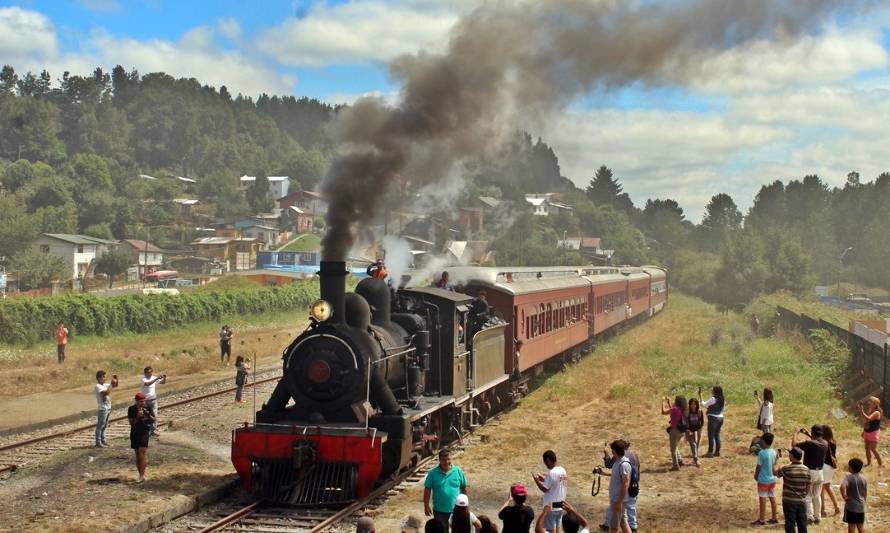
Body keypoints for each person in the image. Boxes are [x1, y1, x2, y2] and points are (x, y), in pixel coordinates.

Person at [424, 449, 469, 532]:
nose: (446, 462)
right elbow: (427, 489)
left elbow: (464, 487)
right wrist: (426, 505)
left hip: (456, 510)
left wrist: (465, 504)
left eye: (448, 459)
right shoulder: (433, 473)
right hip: (439, 511)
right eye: (444, 460)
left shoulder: (458, 471)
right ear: (439, 460)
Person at [792, 425, 829, 524]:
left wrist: (796, 432)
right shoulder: (825, 443)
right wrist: (808, 433)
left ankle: (809, 517)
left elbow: (794, 445)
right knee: (817, 496)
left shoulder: (810, 443)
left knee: (807, 495)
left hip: (809, 472)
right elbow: (815, 441)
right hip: (820, 473)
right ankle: (818, 517)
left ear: (813, 433)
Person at [596, 440, 634, 533]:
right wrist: (602, 473)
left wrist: (619, 502)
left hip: (618, 500)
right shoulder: (618, 462)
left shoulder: (623, 464)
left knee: (614, 527)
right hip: (617, 499)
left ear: (614, 451)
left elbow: (626, 483)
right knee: (623, 522)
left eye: (612, 450)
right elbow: (615, 474)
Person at [776, 446, 811, 533]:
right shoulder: (806, 469)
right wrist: (803, 496)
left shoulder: (786, 468)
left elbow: (776, 473)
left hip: (789, 502)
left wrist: (775, 461)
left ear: (792, 456)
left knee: (790, 523)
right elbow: (808, 485)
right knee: (802, 524)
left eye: (790, 454)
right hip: (802, 501)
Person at [533, 450, 568, 533]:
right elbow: (555, 483)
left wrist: (536, 480)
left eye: (545, 462)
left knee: (551, 531)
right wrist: (544, 479)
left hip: (551, 508)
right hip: (560, 506)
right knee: (558, 530)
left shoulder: (551, 473)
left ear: (548, 460)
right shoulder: (562, 470)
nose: (545, 464)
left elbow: (544, 489)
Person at [752, 432, 779, 526]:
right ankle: (774, 517)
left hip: (763, 480)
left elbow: (758, 466)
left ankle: (762, 519)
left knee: (762, 499)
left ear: (764, 441)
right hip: (772, 479)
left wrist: (756, 475)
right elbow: (774, 464)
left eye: (761, 441)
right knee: (772, 497)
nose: (760, 443)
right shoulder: (774, 451)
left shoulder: (762, 453)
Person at [128, 391, 155, 482]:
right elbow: (131, 423)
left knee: (142, 453)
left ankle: (142, 475)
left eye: (143, 401)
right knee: (137, 454)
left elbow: (154, 420)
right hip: (135, 433)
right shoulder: (131, 409)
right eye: (140, 401)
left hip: (144, 432)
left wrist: (148, 415)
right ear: (136, 401)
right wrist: (137, 417)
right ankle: (140, 474)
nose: (142, 403)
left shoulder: (148, 408)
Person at [840, 457, 867, 533]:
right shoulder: (863, 478)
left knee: (851, 526)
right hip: (861, 506)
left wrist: (844, 497)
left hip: (851, 506)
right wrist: (864, 500)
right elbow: (865, 492)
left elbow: (842, 487)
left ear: (851, 468)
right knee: (861, 526)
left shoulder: (849, 478)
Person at [660, 395, 686, 470]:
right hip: (681, 431)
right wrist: (668, 402)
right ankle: (680, 460)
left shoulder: (674, 409)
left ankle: (675, 466)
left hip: (674, 431)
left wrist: (662, 402)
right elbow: (672, 411)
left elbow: (663, 412)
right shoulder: (683, 409)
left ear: (677, 402)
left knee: (673, 450)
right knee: (675, 446)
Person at [94, 370, 119, 447]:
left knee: (104, 426)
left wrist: (116, 379)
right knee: (100, 426)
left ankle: (103, 440)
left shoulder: (105, 384)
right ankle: (98, 442)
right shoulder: (98, 386)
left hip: (108, 408)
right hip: (103, 409)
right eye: (104, 376)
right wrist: (111, 384)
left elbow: (115, 385)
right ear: (99, 378)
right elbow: (106, 393)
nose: (105, 378)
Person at [821, 425, 841, 517]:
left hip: (824, 466)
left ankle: (822, 510)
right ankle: (837, 507)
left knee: (821, 488)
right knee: (828, 487)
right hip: (832, 467)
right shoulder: (833, 442)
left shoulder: (823, 442)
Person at [140, 366, 166, 437]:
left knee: (154, 415)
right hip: (145, 401)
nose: (150, 374)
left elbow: (163, 383)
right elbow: (148, 384)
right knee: (146, 416)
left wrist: (164, 378)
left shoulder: (154, 378)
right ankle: (146, 432)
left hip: (153, 400)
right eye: (148, 372)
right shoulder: (143, 379)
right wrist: (157, 378)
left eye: (151, 372)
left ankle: (153, 431)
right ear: (145, 373)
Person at [700, 385, 725, 457]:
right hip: (720, 418)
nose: (712, 391)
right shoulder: (723, 399)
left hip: (713, 419)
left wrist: (701, 396)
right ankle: (717, 451)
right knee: (717, 435)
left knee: (710, 435)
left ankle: (710, 452)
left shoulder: (713, 399)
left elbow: (703, 405)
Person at [859, 396, 883, 468]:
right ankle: (869, 463)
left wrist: (861, 410)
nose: (869, 403)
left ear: (875, 404)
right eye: (869, 402)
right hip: (868, 431)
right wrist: (864, 431)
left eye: (871, 402)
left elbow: (868, 419)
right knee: (867, 448)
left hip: (873, 432)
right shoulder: (870, 410)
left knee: (873, 449)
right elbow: (866, 422)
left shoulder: (877, 412)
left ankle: (880, 464)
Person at [685, 398, 704, 467]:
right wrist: (688, 430)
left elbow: (702, 422)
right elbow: (686, 422)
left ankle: (695, 458)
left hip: (698, 428)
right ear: (689, 404)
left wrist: (696, 430)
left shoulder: (699, 411)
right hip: (690, 429)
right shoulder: (687, 412)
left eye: (694, 404)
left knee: (697, 443)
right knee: (693, 444)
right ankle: (696, 459)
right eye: (691, 404)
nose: (693, 405)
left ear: (697, 405)